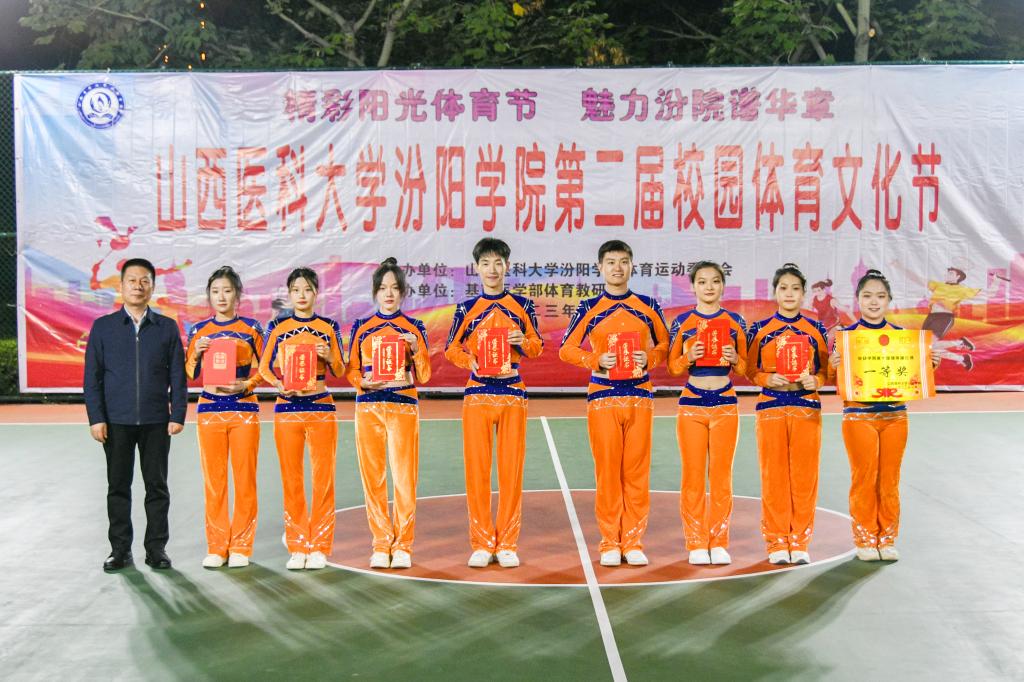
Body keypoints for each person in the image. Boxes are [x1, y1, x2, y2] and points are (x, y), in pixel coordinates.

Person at [559, 240, 670, 567]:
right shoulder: (588, 307)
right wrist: (595, 360)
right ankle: (609, 541)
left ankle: (633, 541)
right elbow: (566, 349)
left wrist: (649, 358)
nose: (617, 268)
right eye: (611, 262)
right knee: (607, 472)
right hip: (603, 396)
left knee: (636, 472)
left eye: (623, 261)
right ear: (600, 268)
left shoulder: (648, 305)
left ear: (632, 266)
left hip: (639, 395)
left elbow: (666, 344)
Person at [445, 238, 543, 568]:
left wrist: (522, 341)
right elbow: (451, 348)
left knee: (511, 471)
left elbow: (537, 347)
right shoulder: (466, 308)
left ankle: (508, 543)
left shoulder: (523, 306)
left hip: (513, 392)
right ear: (477, 268)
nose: (492, 269)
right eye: (486, 263)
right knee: (477, 471)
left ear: (507, 266)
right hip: (478, 394)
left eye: (498, 262)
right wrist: (468, 361)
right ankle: (482, 542)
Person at [829, 269, 940, 562]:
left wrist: (929, 365)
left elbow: (914, 377)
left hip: (895, 417)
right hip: (858, 416)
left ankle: (887, 539)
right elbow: (832, 379)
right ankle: (865, 540)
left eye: (880, 296)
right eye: (867, 296)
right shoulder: (846, 338)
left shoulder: (903, 338)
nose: (874, 301)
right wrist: (833, 364)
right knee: (864, 479)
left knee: (889, 480)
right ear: (858, 300)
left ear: (889, 300)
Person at [84, 257, 187, 572]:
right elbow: (92, 378)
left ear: (152, 287)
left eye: (145, 281)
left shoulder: (166, 327)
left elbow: (178, 376)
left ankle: (156, 549)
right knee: (118, 487)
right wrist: (96, 417)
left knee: (157, 487)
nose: (138, 286)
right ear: (121, 285)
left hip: (156, 421)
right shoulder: (103, 328)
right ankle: (120, 550)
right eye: (132, 280)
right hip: (116, 422)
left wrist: (178, 413)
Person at [258, 267, 345, 571]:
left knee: (323, 479)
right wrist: (278, 384)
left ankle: (320, 546)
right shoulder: (278, 328)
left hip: (321, 407)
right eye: (296, 290)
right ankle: (297, 546)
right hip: (287, 408)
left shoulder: (329, 327)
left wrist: (329, 355)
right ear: (289, 294)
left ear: (316, 293)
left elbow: (340, 369)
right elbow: (264, 367)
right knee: (292, 479)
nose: (302, 295)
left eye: (308, 289)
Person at [346, 258, 431, 570]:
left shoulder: (415, 328)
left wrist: (416, 349)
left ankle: (404, 544)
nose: (389, 294)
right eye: (383, 288)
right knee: (373, 478)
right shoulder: (361, 327)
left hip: (403, 406)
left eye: (395, 288)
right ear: (375, 292)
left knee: (404, 478)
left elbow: (424, 375)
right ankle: (381, 543)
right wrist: (362, 382)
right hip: (368, 407)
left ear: (403, 292)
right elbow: (351, 370)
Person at [745, 263, 829, 565]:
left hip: (806, 407)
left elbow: (825, 372)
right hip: (770, 407)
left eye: (795, 288)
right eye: (783, 288)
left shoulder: (816, 330)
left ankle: (800, 541)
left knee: (805, 478)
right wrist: (767, 379)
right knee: (774, 476)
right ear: (775, 293)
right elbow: (749, 370)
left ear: (804, 294)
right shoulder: (759, 329)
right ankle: (777, 541)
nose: (789, 294)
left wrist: (815, 381)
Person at [666, 261, 747, 565]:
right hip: (692, 404)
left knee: (722, 476)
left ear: (723, 286)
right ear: (693, 287)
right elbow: (672, 368)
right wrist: (688, 356)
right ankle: (696, 542)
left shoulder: (735, 322)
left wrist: (734, 357)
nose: (709, 287)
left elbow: (746, 368)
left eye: (715, 281)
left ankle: (719, 541)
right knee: (693, 477)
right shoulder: (683, 322)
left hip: (725, 403)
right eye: (702, 282)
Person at [185, 266, 264, 569]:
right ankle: (217, 547)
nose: (221, 297)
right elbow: (189, 372)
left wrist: (247, 385)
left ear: (237, 295)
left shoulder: (252, 328)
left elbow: (265, 369)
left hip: (244, 409)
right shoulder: (199, 330)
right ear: (209, 296)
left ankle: (241, 545)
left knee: (244, 479)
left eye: (227, 291)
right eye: (215, 291)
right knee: (214, 481)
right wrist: (196, 352)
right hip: (209, 410)